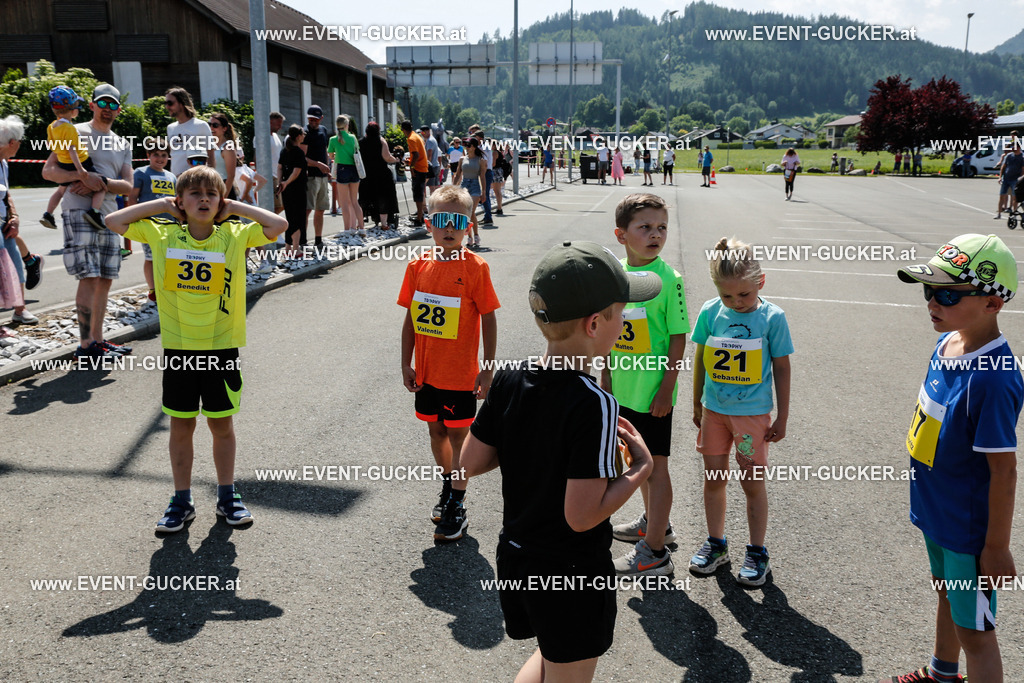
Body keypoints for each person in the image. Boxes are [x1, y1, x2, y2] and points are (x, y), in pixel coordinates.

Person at [459, 240, 658, 683]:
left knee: (551, 655)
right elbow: (582, 516)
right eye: (621, 313)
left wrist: (530, 442)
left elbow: (470, 461)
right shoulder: (595, 404)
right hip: (571, 574)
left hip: (516, 558)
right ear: (595, 323)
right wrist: (639, 469)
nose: (625, 321)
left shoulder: (509, 378)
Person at [105, 165, 287, 532]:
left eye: (211, 194)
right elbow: (114, 220)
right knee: (181, 425)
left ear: (220, 201)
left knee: (221, 425)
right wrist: (161, 205)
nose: (204, 199)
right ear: (180, 201)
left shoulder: (233, 234)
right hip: (180, 349)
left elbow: (277, 225)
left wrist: (235, 207)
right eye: (195, 194)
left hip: (222, 348)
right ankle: (181, 499)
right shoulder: (162, 233)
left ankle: (227, 495)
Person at [888, 234, 1023, 683]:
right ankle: (941, 674)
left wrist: (996, 547)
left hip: (967, 531)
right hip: (937, 512)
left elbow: (1004, 470)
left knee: (976, 634)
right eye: (929, 290)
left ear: (992, 303)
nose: (932, 302)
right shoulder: (948, 343)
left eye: (947, 295)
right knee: (945, 593)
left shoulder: (994, 379)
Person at [398, 184, 499, 542]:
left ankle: (458, 501)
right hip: (427, 372)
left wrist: (487, 368)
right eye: (442, 220)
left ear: (469, 226)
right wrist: (405, 362)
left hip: (459, 374)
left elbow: (488, 317)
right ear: (429, 224)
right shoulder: (417, 266)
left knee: (459, 437)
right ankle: (448, 485)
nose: (450, 228)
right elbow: (411, 318)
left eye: (458, 221)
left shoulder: (476, 268)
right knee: (436, 432)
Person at [689, 237, 793, 586]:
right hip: (714, 413)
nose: (736, 302)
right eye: (727, 296)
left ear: (761, 282)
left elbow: (782, 367)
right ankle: (716, 544)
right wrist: (696, 402)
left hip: (751, 417)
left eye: (744, 294)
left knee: (751, 481)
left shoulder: (772, 318)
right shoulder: (710, 312)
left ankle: (757, 551)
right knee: (714, 478)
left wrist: (783, 416)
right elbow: (701, 359)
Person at [605, 194, 689, 577]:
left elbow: (678, 337)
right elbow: (609, 331)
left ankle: (655, 552)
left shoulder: (670, 281)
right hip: (622, 391)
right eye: (645, 227)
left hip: (653, 394)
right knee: (638, 462)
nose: (656, 234)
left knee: (656, 469)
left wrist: (667, 387)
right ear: (621, 235)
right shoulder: (615, 276)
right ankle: (657, 524)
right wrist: (605, 378)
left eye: (662, 228)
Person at [41, 83, 134, 358]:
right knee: (89, 276)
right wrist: (81, 177)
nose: (107, 109)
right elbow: (49, 171)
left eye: (112, 105)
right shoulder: (74, 129)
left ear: (119, 109)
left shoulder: (122, 143)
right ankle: (85, 345)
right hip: (79, 212)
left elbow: (128, 186)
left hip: (109, 216)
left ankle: (98, 341)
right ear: (91, 105)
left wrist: (100, 181)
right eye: (102, 103)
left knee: (105, 279)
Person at [41, 86, 105, 231]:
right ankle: (94, 212)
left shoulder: (52, 126)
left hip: (63, 162)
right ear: (73, 110)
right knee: (101, 186)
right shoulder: (69, 128)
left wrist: (61, 153)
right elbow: (72, 149)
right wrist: (80, 169)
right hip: (81, 162)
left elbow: (51, 145)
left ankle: (48, 214)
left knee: (60, 190)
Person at [0, 115, 41, 324]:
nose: (21, 145)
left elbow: (6, 194)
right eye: (20, 141)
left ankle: (20, 310)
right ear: (11, 143)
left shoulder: (3, 163)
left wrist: (14, 216)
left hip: (4, 222)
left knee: (15, 263)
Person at [127, 139, 176, 302]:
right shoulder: (140, 173)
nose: (160, 158)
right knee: (151, 257)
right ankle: (153, 289)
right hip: (148, 224)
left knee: (169, 257)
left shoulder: (171, 176)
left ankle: (168, 286)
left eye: (164, 155)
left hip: (170, 225)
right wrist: (135, 219)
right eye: (156, 155)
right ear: (148, 155)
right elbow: (132, 197)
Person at [358, 121, 400, 229]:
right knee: (383, 197)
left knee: (364, 197)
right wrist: (395, 160)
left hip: (366, 174)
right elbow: (387, 157)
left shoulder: (361, 142)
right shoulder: (381, 141)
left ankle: (360, 223)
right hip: (381, 174)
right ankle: (384, 224)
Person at [328, 114, 363, 235]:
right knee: (354, 201)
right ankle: (361, 228)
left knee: (344, 203)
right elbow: (357, 150)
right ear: (347, 125)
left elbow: (331, 155)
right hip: (354, 169)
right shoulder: (353, 137)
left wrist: (337, 155)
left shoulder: (333, 139)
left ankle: (347, 230)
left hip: (342, 169)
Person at [165, 87, 211, 177]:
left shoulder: (201, 125)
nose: (167, 107)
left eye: (170, 103)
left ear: (182, 103)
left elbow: (211, 156)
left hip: (196, 179)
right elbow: (175, 156)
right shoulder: (170, 128)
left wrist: (209, 179)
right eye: (165, 103)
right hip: (176, 180)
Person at [303, 106, 331, 248]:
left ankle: (318, 239)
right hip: (310, 176)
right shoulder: (304, 133)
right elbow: (302, 157)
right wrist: (318, 164)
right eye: (310, 119)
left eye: (315, 119)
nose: (313, 122)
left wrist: (327, 167)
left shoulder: (323, 130)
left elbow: (324, 150)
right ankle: (302, 240)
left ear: (321, 118)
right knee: (307, 209)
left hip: (323, 176)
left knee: (321, 209)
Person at [277, 124, 308, 255]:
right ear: (298, 136)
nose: (304, 136)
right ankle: (296, 249)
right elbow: (296, 172)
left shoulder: (284, 151)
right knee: (298, 218)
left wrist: (281, 182)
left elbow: (279, 167)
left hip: (286, 189)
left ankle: (288, 248)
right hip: (297, 189)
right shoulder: (298, 152)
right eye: (303, 134)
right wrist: (287, 182)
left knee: (290, 216)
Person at [460, 137, 487, 248]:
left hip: (475, 186)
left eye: (468, 145)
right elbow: (457, 174)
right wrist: (452, 188)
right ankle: (470, 237)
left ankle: (476, 235)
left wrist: (484, 191)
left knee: (471, 212)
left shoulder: (480, 160)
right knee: (466, 213)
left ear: (474, 147)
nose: (466, 147)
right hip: (464, 186)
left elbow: (482, 176)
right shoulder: (462, 159)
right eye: (465, 145)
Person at [401, 120, 429, 226]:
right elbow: (418, 155)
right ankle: (420, 216)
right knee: (419, 193)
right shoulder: (417, 136)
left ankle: (419, 218)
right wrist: (409, 161)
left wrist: (411, 167)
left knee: (418, 194)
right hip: (422, 167)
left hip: (419, 169)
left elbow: (416, 155)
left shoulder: (411, 139)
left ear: (403, 130)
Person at [205, 112, 238, 201]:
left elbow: (231, 176)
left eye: (215, 125)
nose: (211, 128)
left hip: (224, 189)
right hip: (209, 188)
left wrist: (222, 198)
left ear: (224, 128)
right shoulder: (207, 145)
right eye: (209, 124)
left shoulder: (228, 147)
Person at [995, 139, 1022, 220]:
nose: (1012, 148)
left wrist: (1020, 180)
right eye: (1012, 146)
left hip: (1015, 180)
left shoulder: (1022, 157)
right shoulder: (1009, 156)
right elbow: (1003, 167)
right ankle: (999, 214)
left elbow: (1023, 170)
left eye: (1014, 147)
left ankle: (1014, 214)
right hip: (1006, 179)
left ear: (1018, 147)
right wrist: (1000, 177)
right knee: (1002, 196)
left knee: (1015, 197)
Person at [473, 130, 495, 226]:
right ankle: (487, 216)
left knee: (484, 194)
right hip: (484, 172)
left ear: (480, 138)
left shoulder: (484, 147)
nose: (474, 138)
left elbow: (484, 162)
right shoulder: (482, 146)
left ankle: (488, 217)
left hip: (485, 172)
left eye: (475, 137)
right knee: (483, 194)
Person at [420, 124, 441, 197]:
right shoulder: (432, 139)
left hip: (432, 166)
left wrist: (427, 166)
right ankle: (437, 201)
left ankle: (433, 202)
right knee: (435, 187)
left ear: (428, 131)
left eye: (423, 132)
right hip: (435, 165)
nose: (422, 134)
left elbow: (429, 154)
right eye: (421, 132)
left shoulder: (429, 141)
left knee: (431, 187)